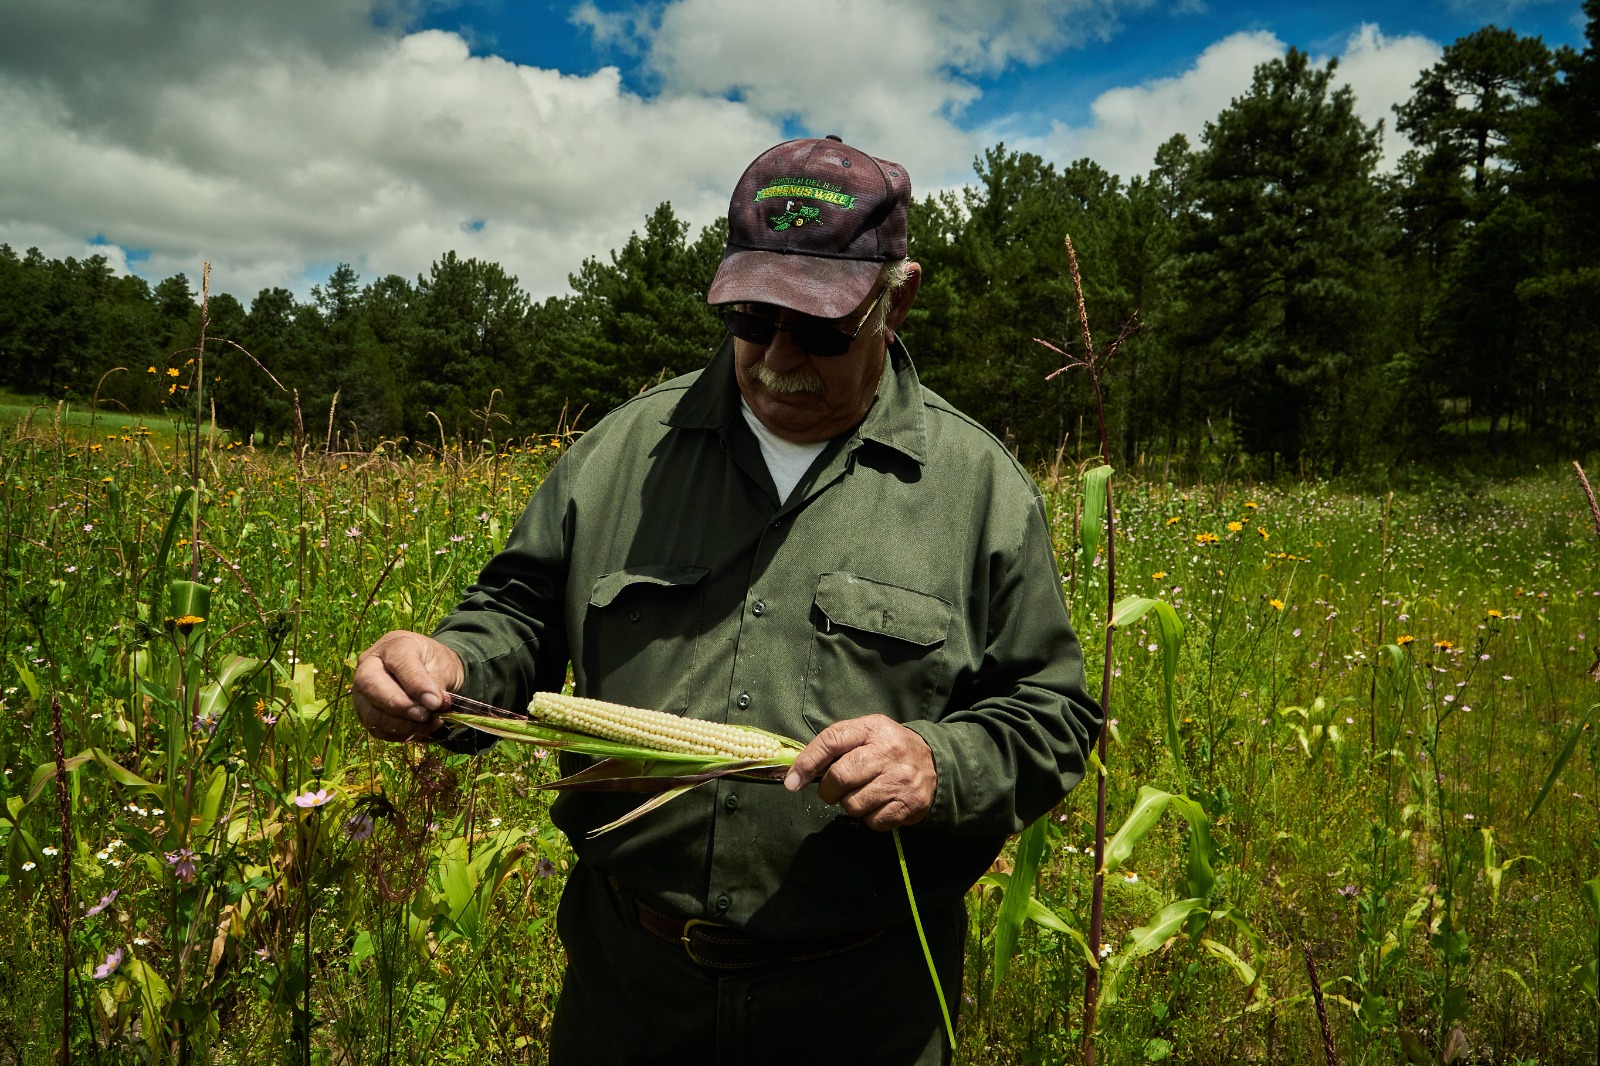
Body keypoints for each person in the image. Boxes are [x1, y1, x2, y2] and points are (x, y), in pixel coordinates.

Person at [352, 135, 1101, 1065]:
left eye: (823, 327)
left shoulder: (977, 489)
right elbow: (522, 613)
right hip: (630, 992)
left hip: (863, 1006)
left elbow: (1053, 715)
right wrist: (453, 663)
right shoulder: (623, 453)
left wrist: (940, 763)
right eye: (753, 317)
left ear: (896, 301)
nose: (780, 358)